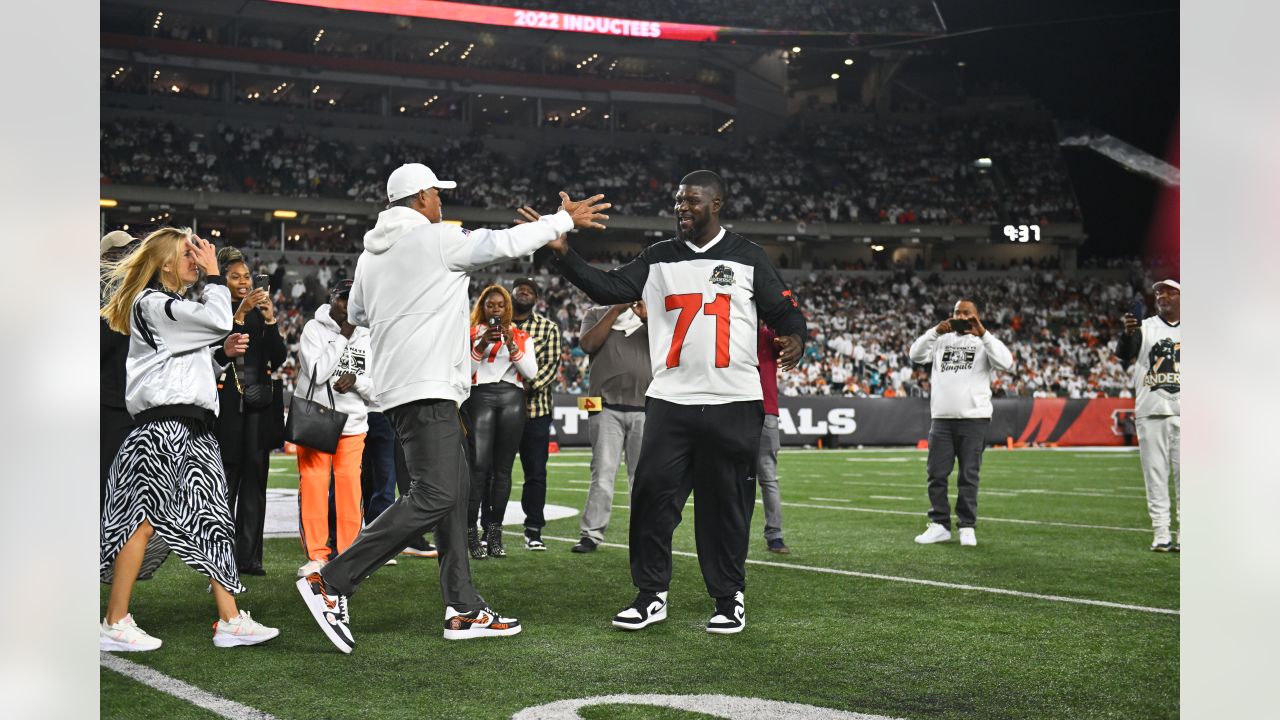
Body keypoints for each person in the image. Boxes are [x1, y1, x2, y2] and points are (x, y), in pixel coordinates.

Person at [294, 162, 610, 652]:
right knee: (437, 495)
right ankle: (332, 580)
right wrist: (562, 219)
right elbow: (503, 243)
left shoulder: (370, 256)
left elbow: (356, 313)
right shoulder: (436, 238)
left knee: (455, 494)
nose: (442, 201)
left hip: (402, 390)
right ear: (421, 197)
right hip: (429, 387)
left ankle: (462, 608)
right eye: (437, 194)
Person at [537, 169, 807, 634]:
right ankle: (650, 595)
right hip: (669, 398)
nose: (682, 207)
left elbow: (785, 312)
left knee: (726, 505)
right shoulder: (657, 258)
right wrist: (564, 254)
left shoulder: (749, 256)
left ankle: (728, 598)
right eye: (679, 200)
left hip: (734, 400)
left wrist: (796, 339)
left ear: (717, 204)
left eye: (693, 201)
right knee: (651, 498)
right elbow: (609, 290)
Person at [99, 227, 279, 651]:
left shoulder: (173, 305)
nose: (195, 261)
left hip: (194, 427)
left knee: (214, 521)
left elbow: (189, 369)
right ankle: (114, 620)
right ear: (163, 263)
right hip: (162, 428)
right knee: (139, 523)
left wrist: (222, 355)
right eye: (186, 255)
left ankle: (230, 619)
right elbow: (216, 319)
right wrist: (216, 276)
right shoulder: (151, 303)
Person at [908, 299, 1014, 547]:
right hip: (942, 419)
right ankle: (939, 524)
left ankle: (967, 526)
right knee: (936, 474)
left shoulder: (984, 342)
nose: (962, 316)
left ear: (976, 316)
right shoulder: (941, 340)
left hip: (973, 419)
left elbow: (1005, 363)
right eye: (957, 312)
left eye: (967, 313)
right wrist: (935, 330)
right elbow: (915, 354)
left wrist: (984, 333)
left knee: (968, 475)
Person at [294, 279, 374, 578]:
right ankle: (317, 555)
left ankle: (350, 555)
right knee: (314, 485)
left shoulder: (370, 335)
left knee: (350, 490)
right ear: (332, 299)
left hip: (353, 424)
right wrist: (343, 337)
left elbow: (379, 390)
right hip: (318, 419)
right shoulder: (314, 329)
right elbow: (316, 373)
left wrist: (358, 381)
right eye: (344, 299)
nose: (349, 305)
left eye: (355, 300)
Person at [214, 246, 285, 576]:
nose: (243, 282)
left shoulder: (261, 312)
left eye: (246, 277)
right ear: (223, 281)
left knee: (256, 482)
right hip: (227, 407)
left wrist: (270, 319)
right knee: (226, 483)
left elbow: (279, 357)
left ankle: (250, 558)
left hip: (258, 407)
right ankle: (221, 557)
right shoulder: (215, 311)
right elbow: (218, 354)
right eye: (235, 277)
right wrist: (239, 314)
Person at [572, 300, 651, 554]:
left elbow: (672, 345)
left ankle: (644, 535)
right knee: (603, 474)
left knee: (642, 478)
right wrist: (615, 309)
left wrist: (649, 318)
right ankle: (591, 534)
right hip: (603, 406)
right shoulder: (595, 313)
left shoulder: (652, 314)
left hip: (646, 406)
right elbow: (588, 345)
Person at [463, 285, 536, 560]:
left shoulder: (521, 335)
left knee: (503, 470)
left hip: (511, 398)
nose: (495, 309)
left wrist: (511, 344)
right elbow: (465, 372)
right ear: (482, 307)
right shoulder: (469, 334)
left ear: (508, 308)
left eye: (501, 305)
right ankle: (470, 532)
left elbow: (531, 372)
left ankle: (494, 534)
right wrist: (481, 344)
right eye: (490, 305)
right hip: (479, 395)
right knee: (479, 468)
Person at [1118, 279, 1181, 552]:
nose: (1162, 295)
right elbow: (1124, 353)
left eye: (1170, 291)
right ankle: (1161, 532)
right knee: (1155, 476)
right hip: (1151, 410)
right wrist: (1127, 333)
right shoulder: (1145, 327)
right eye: (1159, 292)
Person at [510, 277, 561, 552]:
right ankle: (489, 528)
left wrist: (525, 386)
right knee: (495, 472)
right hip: (498, 412)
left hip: (535, 411)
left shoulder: (548, 328)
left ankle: (533, 529)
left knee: (536, 473)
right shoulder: (496, 325)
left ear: (537, 298)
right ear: (512, 294)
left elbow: (551, 366)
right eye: (520, 289)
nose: (525, 292)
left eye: (530, 290)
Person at [101, 231, 138, 511]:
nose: (126, 259)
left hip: (130, 402)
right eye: (120, 254)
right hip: (106, 402)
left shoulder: (132, 297)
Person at [756, 326, 789, 554]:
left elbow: (785, 341)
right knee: (767, 479)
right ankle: (774, 536)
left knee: (766, 478)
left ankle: (775, 535)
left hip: (759, 410)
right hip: (753, 410)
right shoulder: (767, 334)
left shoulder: (767, 335)